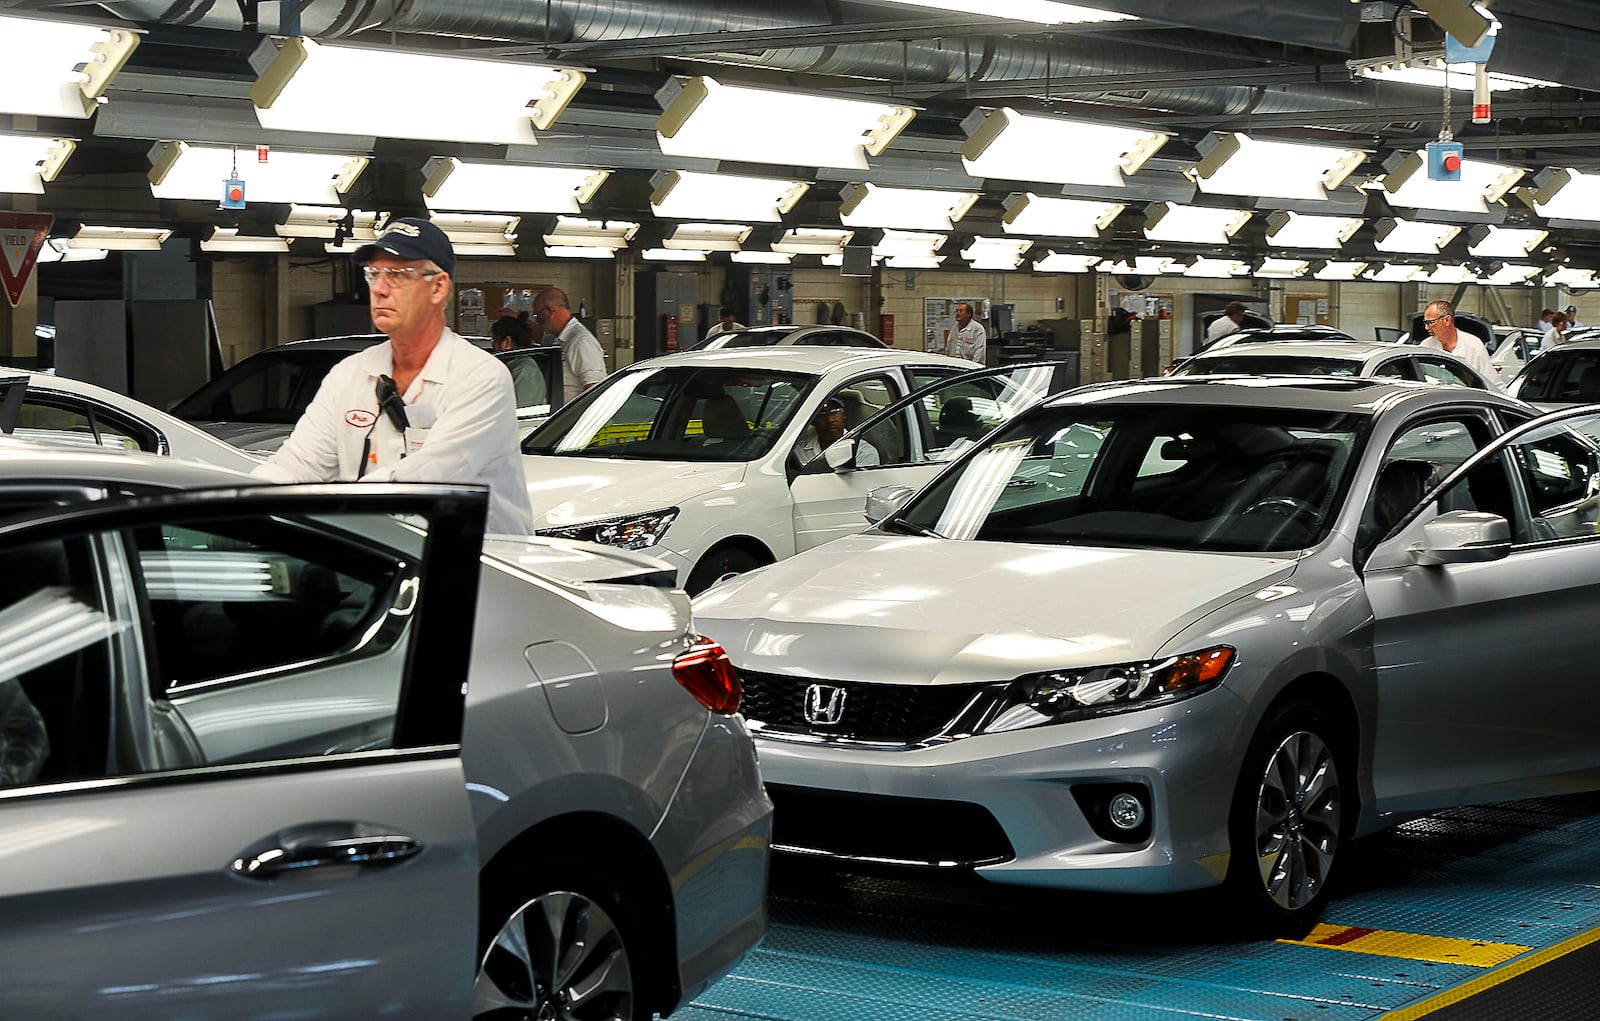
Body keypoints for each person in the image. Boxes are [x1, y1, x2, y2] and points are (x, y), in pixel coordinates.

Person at [253, 217, 535, 535]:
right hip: (389, 558)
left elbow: (424, 479)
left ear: (438, 287)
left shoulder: (480, 378)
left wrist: (331, 505)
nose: (380, 289)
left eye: (397, 275)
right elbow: (297, 465)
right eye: (374, 274)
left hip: (487, 570)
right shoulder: (349, 375)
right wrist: (241, 505)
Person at [532, 286, 607, 405]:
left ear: (551, 311)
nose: (537, 321)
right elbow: (537, 335)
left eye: (537, 316)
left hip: (571, 420)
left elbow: (594, 389)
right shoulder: (556, 339)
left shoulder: (581, 341)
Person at [1418, 299, 1504, 393]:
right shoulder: (1426, 346)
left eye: (1431, 323)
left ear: (1447, 320)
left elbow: (1492, 382)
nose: (1426, 328)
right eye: (1425, 323)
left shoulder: (1473, 345)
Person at [792, 395, 880, 466]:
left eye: (834, 412)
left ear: (844, 414)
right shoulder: (798, 451)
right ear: (812, 421)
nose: (830, 419)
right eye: (822, 414)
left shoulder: (863, 451)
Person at [491, 314, 549, 409]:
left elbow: (520, 411)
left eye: (495, 340)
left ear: (507, 342)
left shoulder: (524, 370)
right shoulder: (513, 365)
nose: (493, 346)